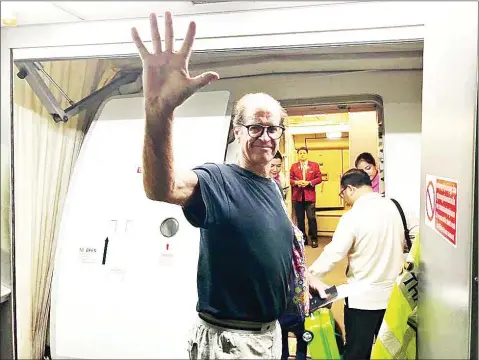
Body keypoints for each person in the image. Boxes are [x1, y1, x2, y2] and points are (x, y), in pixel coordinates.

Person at [131, 12, 309, 359]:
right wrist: (159, 112)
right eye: (255, 127)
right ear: (237, 131)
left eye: (273, 128)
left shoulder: (272, 186)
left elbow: (271, 246)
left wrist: (302, 278)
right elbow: (162, 188)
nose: (265, 137)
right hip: (230, 343)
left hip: (269, 335)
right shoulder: (218, 180)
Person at [307, 168, 418, 360]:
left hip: (362, 300)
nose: (344, 198)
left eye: (342, 194)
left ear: (349, 189)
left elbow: (334, 254)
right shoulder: (397, 207)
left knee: (358, 353)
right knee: (392, 353)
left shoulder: (353, 216)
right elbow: (416, 238)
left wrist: (309, 276)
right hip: (395, 298)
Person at [289, 147, 322, 248]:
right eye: (300, 153)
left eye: (304, 153)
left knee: (311, 218)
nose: (302, 155)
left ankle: (314, 239)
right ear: (298, 155)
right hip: (297, 197)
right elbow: (289, 179)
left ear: (307, 154)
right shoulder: (294, 166)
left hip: (309, 196)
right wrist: (296, 182)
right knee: (300, 219)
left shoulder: (314, 165)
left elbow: (319, 178)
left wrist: (309, 183)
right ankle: (303, 239)